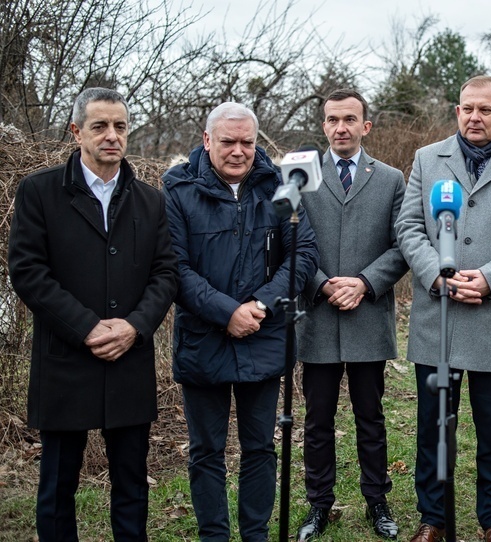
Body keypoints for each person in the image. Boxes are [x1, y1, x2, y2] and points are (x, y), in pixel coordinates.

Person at [8, 87, 179, 541]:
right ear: (76, 131)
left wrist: (135, 326)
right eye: (100, 126)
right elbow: (27, 272)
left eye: (120, 127)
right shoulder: (39, 191)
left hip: (129, 358)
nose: (111, 136)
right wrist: (85, 327)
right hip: (65, 359)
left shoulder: (150, 199)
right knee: (57, 488)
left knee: (130, 487)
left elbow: (165, 273)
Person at [396, 75, 491, 542]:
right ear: (457, 111)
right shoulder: (428, 159)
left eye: (485, 110)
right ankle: (433, 517)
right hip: (437, 318)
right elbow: (408, 227)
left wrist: (490, 279)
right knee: (432, 428)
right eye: (467, 108)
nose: (474, 117)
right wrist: (436, 273)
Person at [162, 102, 319, 540]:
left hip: (264, 337)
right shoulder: (176, 190)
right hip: (202, 340)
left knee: (260, 448)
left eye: (247, 142)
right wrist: (226, 312)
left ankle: (256, 534)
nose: (238, 151)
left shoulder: (280, 187)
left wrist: (261, 304)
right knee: (206, 450)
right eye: (228, 141)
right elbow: (174, 267)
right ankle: (214, 535)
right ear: (207, 139)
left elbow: (302, 253)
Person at [295, 89, 408, 541]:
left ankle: (376, 500)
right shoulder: (301, 174)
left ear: (366, 126)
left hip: (367, 313)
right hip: (318, 314)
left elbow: (404, 244)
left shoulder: (391, 178)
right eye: (332, 119)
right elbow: (288, 238)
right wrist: (322, 282)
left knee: (370, 415)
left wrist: (363, 282)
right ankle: (318, 505)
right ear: (323, 125)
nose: (340, 127)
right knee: (317, 420)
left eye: (350, 119)